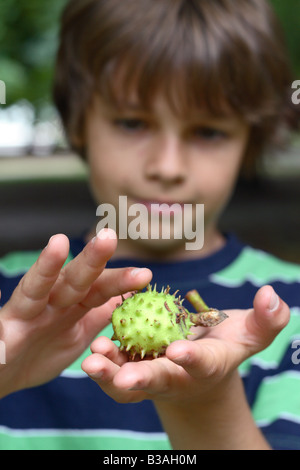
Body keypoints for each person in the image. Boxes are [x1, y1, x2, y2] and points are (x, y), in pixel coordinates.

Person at [0, 0, 300, 450]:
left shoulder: (285, 311)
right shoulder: (9, 301)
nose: (166, 166)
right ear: (78, 123)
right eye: (132, 122)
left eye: (208, 131)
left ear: (250, 141)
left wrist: (206, 404)